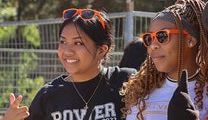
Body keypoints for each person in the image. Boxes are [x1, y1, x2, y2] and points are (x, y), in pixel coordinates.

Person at [4, 8, 137, 120]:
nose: (67, 51)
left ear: (101, 50)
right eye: (63, 42)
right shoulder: (48, 95)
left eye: (78, 43)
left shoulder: (126, 81)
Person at [120, 0, 208, 120]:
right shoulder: (141, 90)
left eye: (162, 36)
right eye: (149, 38)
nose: (153, 45)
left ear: (190, 40)